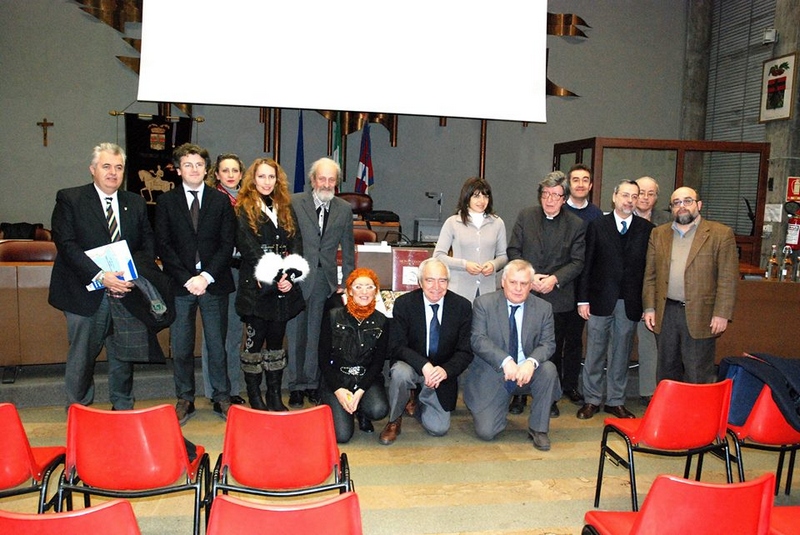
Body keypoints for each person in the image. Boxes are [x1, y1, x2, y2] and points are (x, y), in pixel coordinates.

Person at [48, 142, 155, 410]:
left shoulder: (135, 202)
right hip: (84, 292)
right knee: (82, 357)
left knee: (123, 354)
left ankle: (122, 407)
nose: (113, 173)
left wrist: (131, 277)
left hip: (124, 291)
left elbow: (146, 245)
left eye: (119, 167)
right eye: (106, 166)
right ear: (92, 169)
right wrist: (100, 275)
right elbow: (67, 244)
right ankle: (79, 410)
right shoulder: (70, 199)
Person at [155, 143, 236, 423]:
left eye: (199, 165)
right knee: (181, 345)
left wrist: (206, 277)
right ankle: (185, 398)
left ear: (206, 169)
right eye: (188, 165)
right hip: (181, 284)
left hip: (213, 283)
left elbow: (228, 244)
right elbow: (163, 245)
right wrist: (187, 278)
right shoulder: (166, 202)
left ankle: (221, 397)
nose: (194, 169)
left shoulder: (220, 200)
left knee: (217, 344)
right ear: (178, 170)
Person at [507, 171, 585, 418]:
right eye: (546, 194)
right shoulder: (526, 216)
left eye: (555, 195)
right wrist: (531, 278)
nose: (550, 200)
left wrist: (554, 279)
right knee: (521, 346)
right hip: (525, 293)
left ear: (564, 198)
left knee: (551, 352)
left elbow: (577, 261)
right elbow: (513, 250)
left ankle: (550, 398)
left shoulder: (576, 224)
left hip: (558, 298)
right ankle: (518, 395)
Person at [642, 186, 739, 384]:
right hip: (666, 312)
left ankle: (696, 415)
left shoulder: (721, 234)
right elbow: (650, 275)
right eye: (676, 203)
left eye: (687, 201)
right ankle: (671, 414)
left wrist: (722, 313)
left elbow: (727, 278)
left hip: (701, 314)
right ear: (671, 208)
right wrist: (650, 307)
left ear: (699, 204)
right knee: (666, 371)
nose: (682, 206)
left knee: (698, 372)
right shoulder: (659, 234)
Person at [575, 180, 653, 420]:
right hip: (599, 299)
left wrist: (645, 303)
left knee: (621, 353)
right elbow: (586, 264)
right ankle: (591, 399)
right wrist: (582, 299)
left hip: (629, 302)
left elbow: (649, 270)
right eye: (625, 195)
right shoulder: (598, 225)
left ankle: (615, 401)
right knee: (595, 351)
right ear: (614, 197)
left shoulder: (646, 229)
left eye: (634, 196)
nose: (629, 200)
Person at [463, 259, 560, 451]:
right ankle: (498, 406)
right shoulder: (484, 303)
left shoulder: (543, 308)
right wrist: (505, 360)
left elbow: (548, 344)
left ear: (531, 285)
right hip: (495, 371)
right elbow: (478, 339)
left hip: (527, 372)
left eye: (524, 284)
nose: (518, 288)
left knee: (548, 368)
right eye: (513, 282)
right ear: (503, 282)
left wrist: (531, 362)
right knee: (487, 432)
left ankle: (538, 429)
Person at [234, 157, 305, 412]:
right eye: (262, 176)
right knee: (254, 344)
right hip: (257, 288)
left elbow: (296, 242)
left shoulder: (284, 206)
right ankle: (255, 395)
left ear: (278, 180)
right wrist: (276, 276)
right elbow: (249, 248)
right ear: (253, 178)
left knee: (276, 342)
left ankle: (274, 394)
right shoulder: (243, 207)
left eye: (271, 177)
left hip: (283, 288)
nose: (267, 182)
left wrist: (289, 276)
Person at [379, 258, 473, 446]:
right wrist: (424, 365)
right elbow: (396, 346)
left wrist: (445, 371)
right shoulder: (404, 304)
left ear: (448, 282)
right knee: (400, 373)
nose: (436, 287)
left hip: (442, 372)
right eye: (430, 280)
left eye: (442, 280)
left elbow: (465, 351)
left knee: (439, 429)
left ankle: (418, 400)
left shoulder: (462, 306)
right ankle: (394, 418)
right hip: (412, 365)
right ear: (420, 282)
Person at [286, 157, 355, 408]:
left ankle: (311, 384)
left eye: (331, 180)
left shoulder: (344, 209)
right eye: (322, 178)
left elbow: (348, 248)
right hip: (297, 278)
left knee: (316, 334)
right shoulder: (294, 202)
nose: (326, 184)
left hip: (324, 281)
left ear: (336, 183)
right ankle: (294, 385)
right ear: (313, 180)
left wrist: (348, 282)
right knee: (295, 334)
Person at [318, 268, 389, 443]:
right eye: (358, 287)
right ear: (349, 290)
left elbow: (378, 362)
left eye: (369, 287)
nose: (364, 292)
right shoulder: (332, 316)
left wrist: (360, 391)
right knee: (342, 436)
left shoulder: (382, 321)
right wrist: (338, 390)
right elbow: (323, 358)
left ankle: (362, 411)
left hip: (365, 379)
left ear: (376, 291)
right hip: (337, 379)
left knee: (378, 410)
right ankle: (332, 403)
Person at [201, 153, 246, 405]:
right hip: (218, 271)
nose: (230, 175)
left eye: (235, 170)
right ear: (216, 174)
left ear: (241, 174)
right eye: (224, 171)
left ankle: (233, 388)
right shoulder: (210, 200)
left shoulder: (249, 200)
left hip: (243, 271)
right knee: (215, 332)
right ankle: (215, 390)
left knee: (235, 331)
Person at [561, 163, 604, 406]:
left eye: (584, 180)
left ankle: (570, 385)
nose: (579, 184)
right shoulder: (559, 209)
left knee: (575, 339)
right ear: (569, 183)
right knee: (554, 340)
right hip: (559, 284)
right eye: (575, 179)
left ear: (590, 185)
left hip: (582, 287)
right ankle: (553, 385)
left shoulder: (597, 216)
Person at [433, 177, 507, 303]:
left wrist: (493, 265)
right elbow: (438, 256)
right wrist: (464, 265)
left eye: (485, 196)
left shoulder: (497, 223)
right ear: (467, 198)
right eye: (476, 196)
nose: (482, 201)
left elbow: (503, 256)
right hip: (459, 290)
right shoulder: (453, 222)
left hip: (487, 289)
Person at [633, 176, 672, 406]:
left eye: (651, 194)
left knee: (653, 343)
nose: (645, 198)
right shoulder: (624, 217)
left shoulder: (668, 220)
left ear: (657, 198)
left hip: (659, 290)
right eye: (641, 193)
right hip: (629, 290)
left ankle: (652, 392)